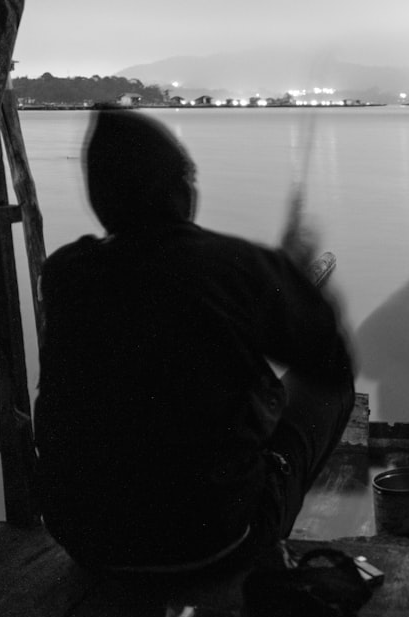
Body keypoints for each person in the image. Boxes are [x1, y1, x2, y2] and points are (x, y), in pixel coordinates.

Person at [34, 109, 354, 573]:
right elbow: (330, 360)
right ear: (179, 187)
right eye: (189, 175)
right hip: (210, 544)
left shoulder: (64, 273)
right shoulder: (234, 267)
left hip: (85, 541)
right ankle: (265, 534)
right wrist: (290, 280)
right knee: (331, 393)